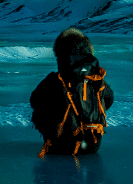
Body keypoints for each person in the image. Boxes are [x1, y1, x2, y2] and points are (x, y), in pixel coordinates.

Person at [30, 27, 114, 157]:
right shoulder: (97, 79)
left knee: (42, 105)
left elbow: (34, 100)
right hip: (93, 145)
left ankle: (56, 138)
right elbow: (109, 99)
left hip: (63, 146)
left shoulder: (54, 80)